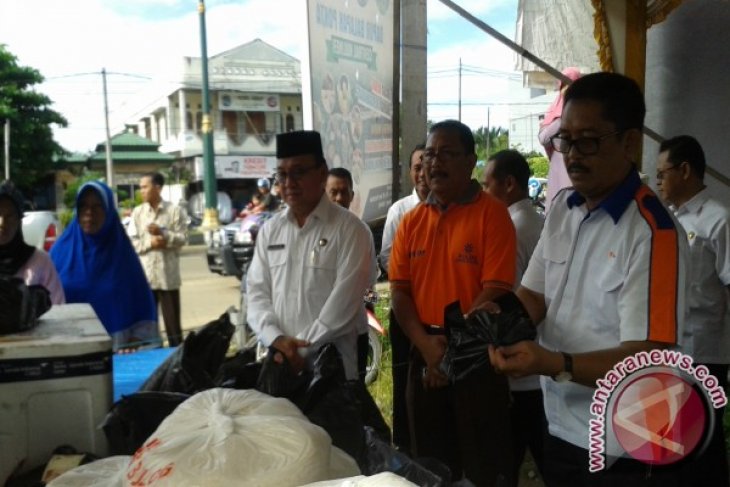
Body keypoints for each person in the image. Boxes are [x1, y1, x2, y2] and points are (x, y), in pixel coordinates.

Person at [488, 72, 688, 486]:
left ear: (630, 142)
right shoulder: (564, 207)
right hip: (560, 420)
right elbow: (532, 295)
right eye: (566, 140)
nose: (573, 155)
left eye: (589, 141)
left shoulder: (654, 233)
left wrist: (554, 363)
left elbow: (645, 358)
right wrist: (495, 328)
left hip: (621, 441)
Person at [389, 120, 517, 485]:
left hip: (476, 355)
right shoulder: (411, 221)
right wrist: (428, 349)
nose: (434, 162)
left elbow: (495, 290)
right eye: (429, 154)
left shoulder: (492, 214)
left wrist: (449, 356)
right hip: (424, 352)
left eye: (447, 154)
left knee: (482, 464)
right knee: (430, 464)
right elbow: (399, 292)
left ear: (471, 161)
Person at [246, 130, 376, 381]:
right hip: (281, 366)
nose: (289, 183)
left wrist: (299, 349)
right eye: (282, 174)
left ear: (321, 172)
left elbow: (345, 303)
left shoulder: (351, 230)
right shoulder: (270, 231)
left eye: (298, 172)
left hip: (332, 372)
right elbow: (257, 293)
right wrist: (276, 339)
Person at [655, 135, 730, 485]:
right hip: (670, 347)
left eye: (662, 174)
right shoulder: (666, 220)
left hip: (704, 350)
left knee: (703, 442)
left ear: (684, 171)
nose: (658, 183)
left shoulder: (718, 220)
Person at [481, 149, 547, 483]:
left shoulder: (513, 226)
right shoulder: (535, 219)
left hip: (521, 359)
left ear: (508, 184)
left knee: (510, 453)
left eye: (486, 183)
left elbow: (515, 296)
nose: (482, 192)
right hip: (539, 356)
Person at [50, 181, 158, 351]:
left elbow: (143, 305)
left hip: (117, 356)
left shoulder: (123, 256)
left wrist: (134, 342)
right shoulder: (59, 252)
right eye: (83, 205)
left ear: (108, 211)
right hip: (69, 351)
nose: (89, 213)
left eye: (97, 206)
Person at [378, 142, 427, 455]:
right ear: (410, 172)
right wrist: (409, 270)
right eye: (417, 167)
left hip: (436, 312)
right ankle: (405, 445)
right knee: (403, 375)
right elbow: (385, 255)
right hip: (405, 305)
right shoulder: (400, 211)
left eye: (427, 164)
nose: (423, 172)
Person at [127, 172, 188, 346]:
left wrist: (165, 236)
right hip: (146, 278)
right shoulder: (138, 213)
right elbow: (132, 242)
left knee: (173, 326)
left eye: (145, 187)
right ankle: (153, 358)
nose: (142, 191)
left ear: (158, 188)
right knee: (147, 325)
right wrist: (150, 243)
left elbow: (183, 238)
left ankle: (177, 358)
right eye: (141, 188)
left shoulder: (174, 211)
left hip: (168, 277)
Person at [324, 166, 373, 382]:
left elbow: (368, 283)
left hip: (355, 330)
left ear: (352, 195)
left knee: (354, 394)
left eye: (344, 192)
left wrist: (369, 305)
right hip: (320, 335)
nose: (339, 198)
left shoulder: (362, 232)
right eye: (333, 192)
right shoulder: (312, 232)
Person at [0, 181, 64, 304]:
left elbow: (59, 311)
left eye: (9, 216)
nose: (2, 223)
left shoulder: (40, 261)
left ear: (19, 220)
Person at [537, 67, 582, 213]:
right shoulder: (555, 111)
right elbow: (543, 138)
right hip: (559, 165)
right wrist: (562, 118)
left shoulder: (585, 113)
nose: (567, 91)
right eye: (564, 86)